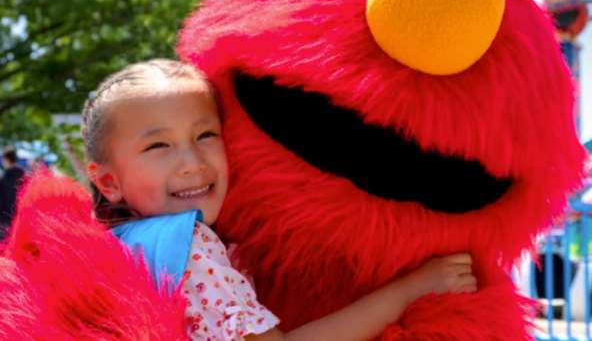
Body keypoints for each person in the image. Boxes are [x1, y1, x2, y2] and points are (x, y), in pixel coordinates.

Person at [81, 59, 477, 341]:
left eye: (206, 135)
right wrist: (414, 288)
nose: (192, 162)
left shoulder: (119, 244)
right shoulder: (190, 247)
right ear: (109, 181)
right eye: (158, 145)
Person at [0, 145, 25, 240]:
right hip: (21, 219)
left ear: (5, 159)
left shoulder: (4, 178)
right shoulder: (24, 176)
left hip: (4, 218)